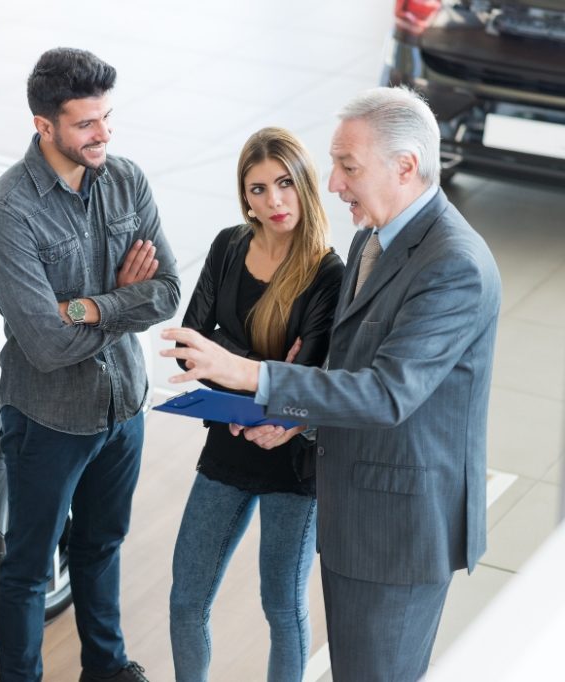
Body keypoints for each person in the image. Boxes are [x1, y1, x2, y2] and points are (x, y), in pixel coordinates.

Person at [161, 86, 502, 682]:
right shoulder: (371, 239)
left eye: (348, 166)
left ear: (405, 166)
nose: (334, 183)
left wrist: (249, 373)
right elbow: (345, 370)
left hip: (398, 530)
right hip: (352, 512)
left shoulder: (454, 265)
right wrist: (295, 416)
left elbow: (387, 393)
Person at [0, 47, 180, 682]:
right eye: (87, 124)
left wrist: (89, 306)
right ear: (45, 126)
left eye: (107, 118)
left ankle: (107, 670)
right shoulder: (8, 214)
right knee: (30, 568)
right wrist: (124, 301)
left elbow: (168, 291)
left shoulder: (127, 180)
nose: (104, 135)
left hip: (123, 407)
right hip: (49, 420)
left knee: (102, 546)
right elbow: (44, 344)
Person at [169, 128, 344, 682]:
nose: (274, 202)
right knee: (185, 599)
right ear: (244, 196)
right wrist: (259, 365)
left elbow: (307, 378)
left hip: (292, 459)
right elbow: (187, 345)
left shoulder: (326, 273)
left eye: (285, 184)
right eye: (259, 189)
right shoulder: (228, 246)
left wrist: (228, 358)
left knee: (281, 609)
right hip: (229, 442)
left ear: (305, 184)